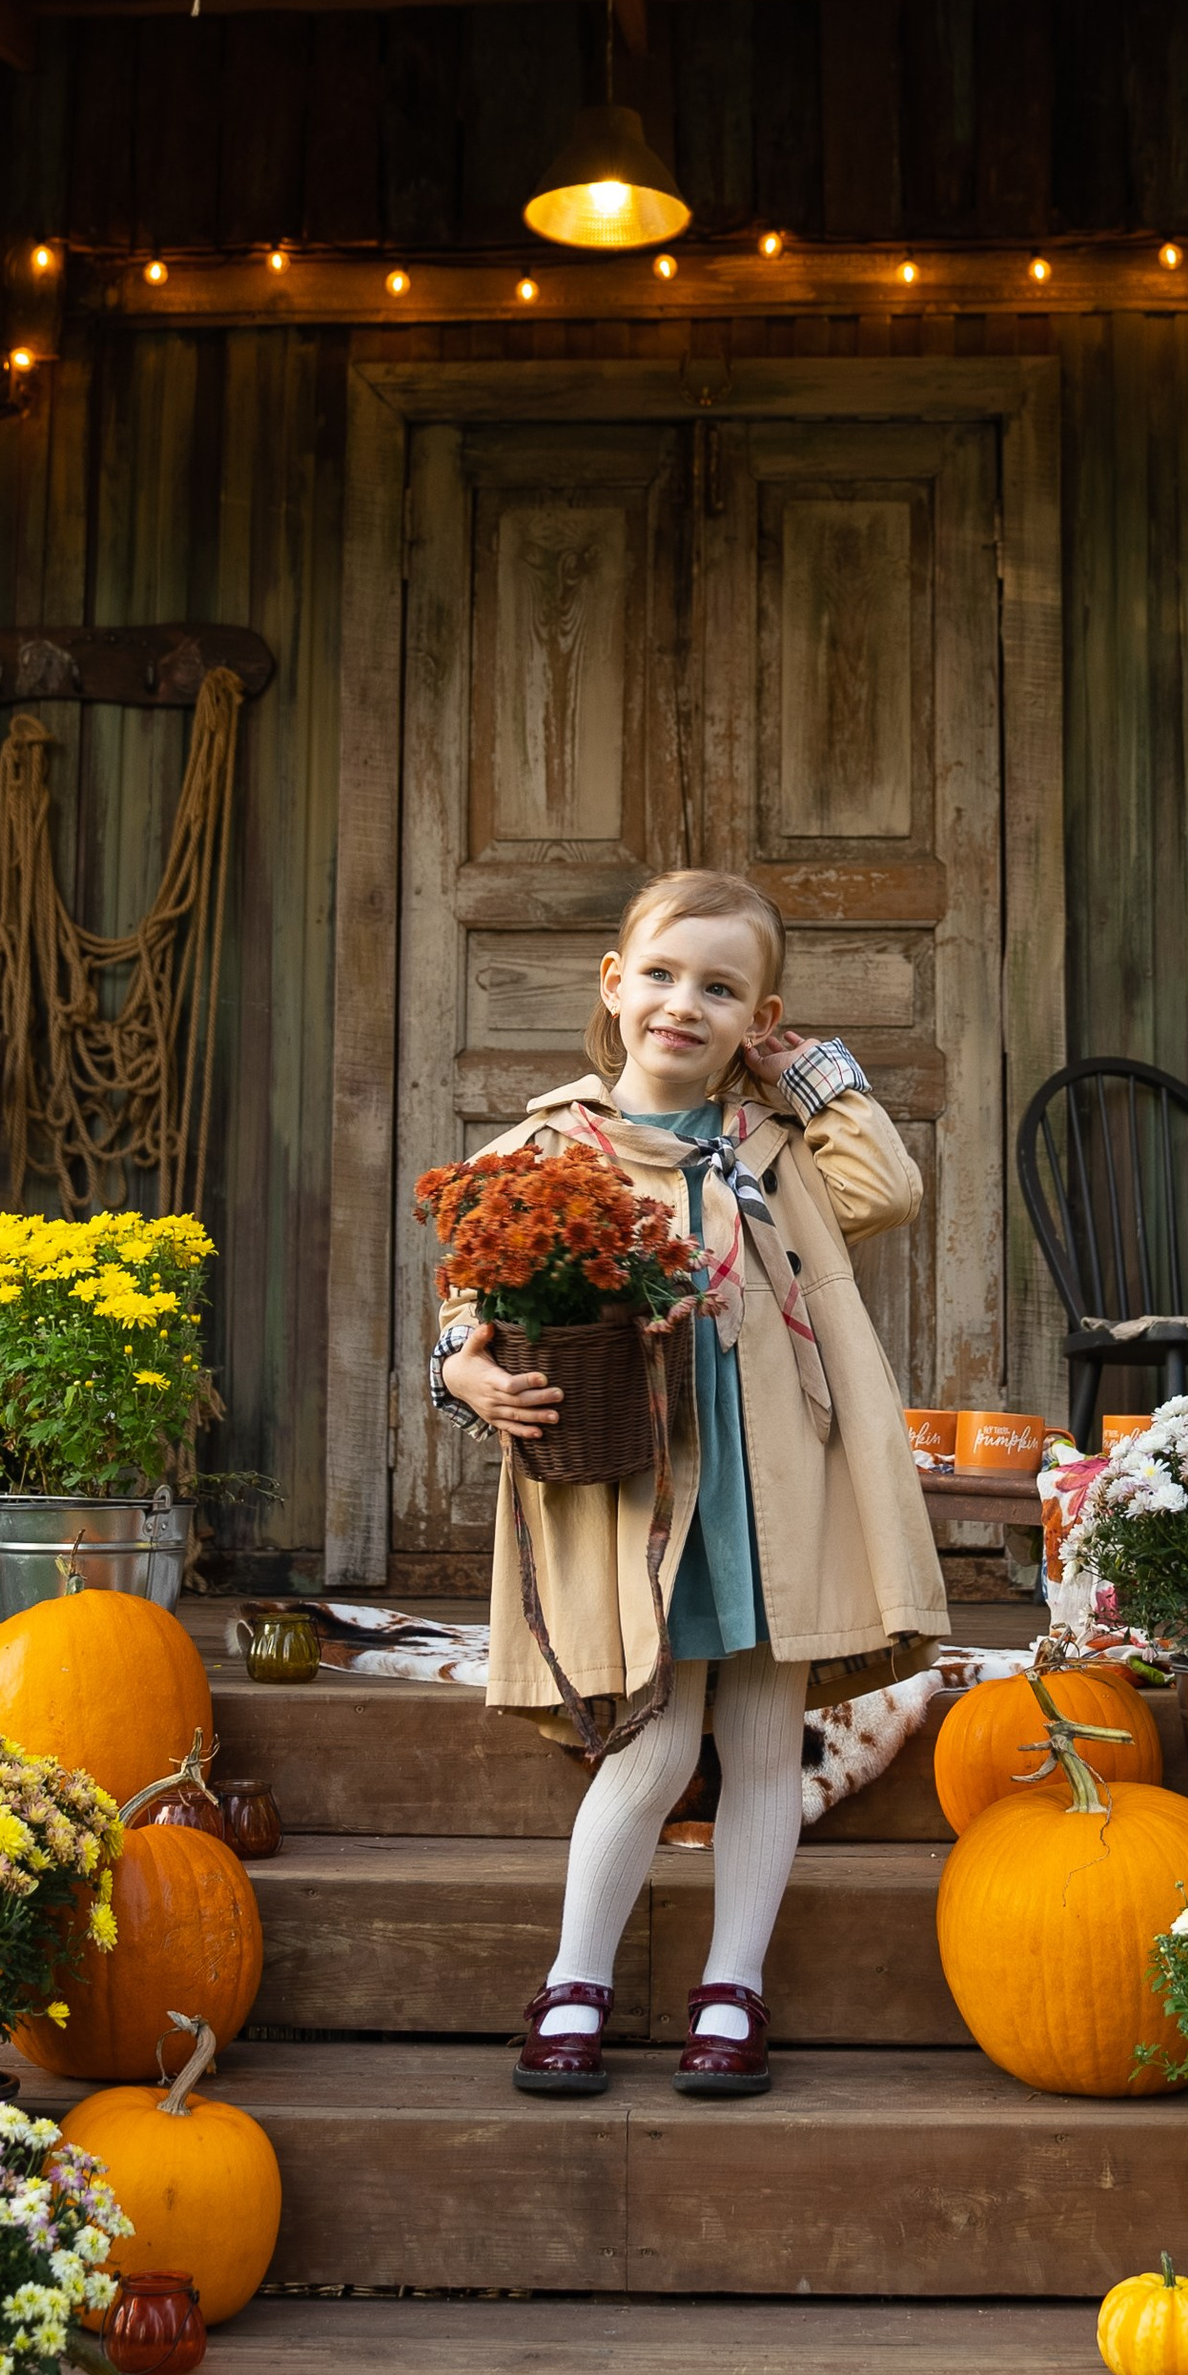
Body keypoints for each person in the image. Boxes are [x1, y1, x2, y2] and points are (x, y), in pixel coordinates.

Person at [432, 868, 948, 2100]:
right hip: (639, 1485)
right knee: (656, 1741)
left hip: (775, 1481)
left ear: (756, 1017)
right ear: (614, 985)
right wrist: (462, 1371)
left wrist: (805, 1075)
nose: (682, 1004)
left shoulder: (774, 1145)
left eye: (720, 989)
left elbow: (889, 1189)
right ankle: (575, 1978)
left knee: (766, 1740)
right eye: (660, 975)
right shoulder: (547, 1147)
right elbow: (468, 1300)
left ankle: (733, 1985)